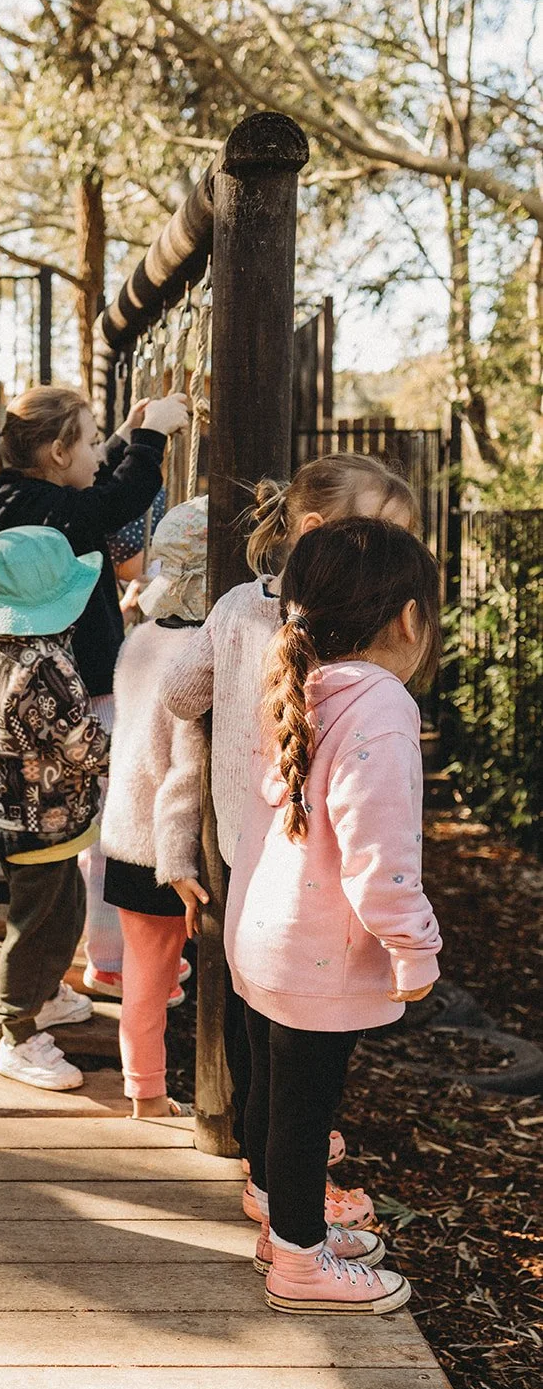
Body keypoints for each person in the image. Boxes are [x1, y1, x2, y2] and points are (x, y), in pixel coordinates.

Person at [160, 454, 420, 1229]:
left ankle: (269, 1162)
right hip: (312, 852)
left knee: (259, 1013)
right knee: (297, 1038)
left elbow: (180, 693)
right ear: (318, 533)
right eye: (379, 537)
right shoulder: (346, 641)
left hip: (253, 847)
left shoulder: (242, 609)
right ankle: (279, 1180)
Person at [231, 517, 442, 1313]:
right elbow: (379, 855)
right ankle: (299, 1265)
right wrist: (412, 950)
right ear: (407, 620)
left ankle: (281, 1227)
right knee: (302, 1111)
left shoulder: (300, 685)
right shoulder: (380, 706)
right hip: (318, 952)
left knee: (272, 1100)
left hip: (266, 937)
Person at [0, 383, 190, 986]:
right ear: (56, 451)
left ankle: (100, 952)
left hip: (72, 690)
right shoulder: (51, 512)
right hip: (78, 691)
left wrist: (126, 438)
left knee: (91, 831)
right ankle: (113, 957)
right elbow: (121, 497)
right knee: (111, 824)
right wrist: (152, 436)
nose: (101, 452)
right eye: (91, 440)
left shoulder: (18, 504)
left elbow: (97, 488)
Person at [0, 524, 111, 1091]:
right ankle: (16, 1032)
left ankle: (45, 996)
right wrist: (132, 753)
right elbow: (82, 745)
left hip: (18, 811)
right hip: (45, 816)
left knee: (63, 909)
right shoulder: (44, 668)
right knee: (34, 925)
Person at [100, 497, 210, 1117]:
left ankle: (142, 1084)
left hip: (123, 831)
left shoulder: (140, 639)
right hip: (163, 847)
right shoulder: (196, 658)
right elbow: (184, 771)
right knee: (156, 976)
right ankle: (148, 1092)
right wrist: (179, 865)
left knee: (150, 974)